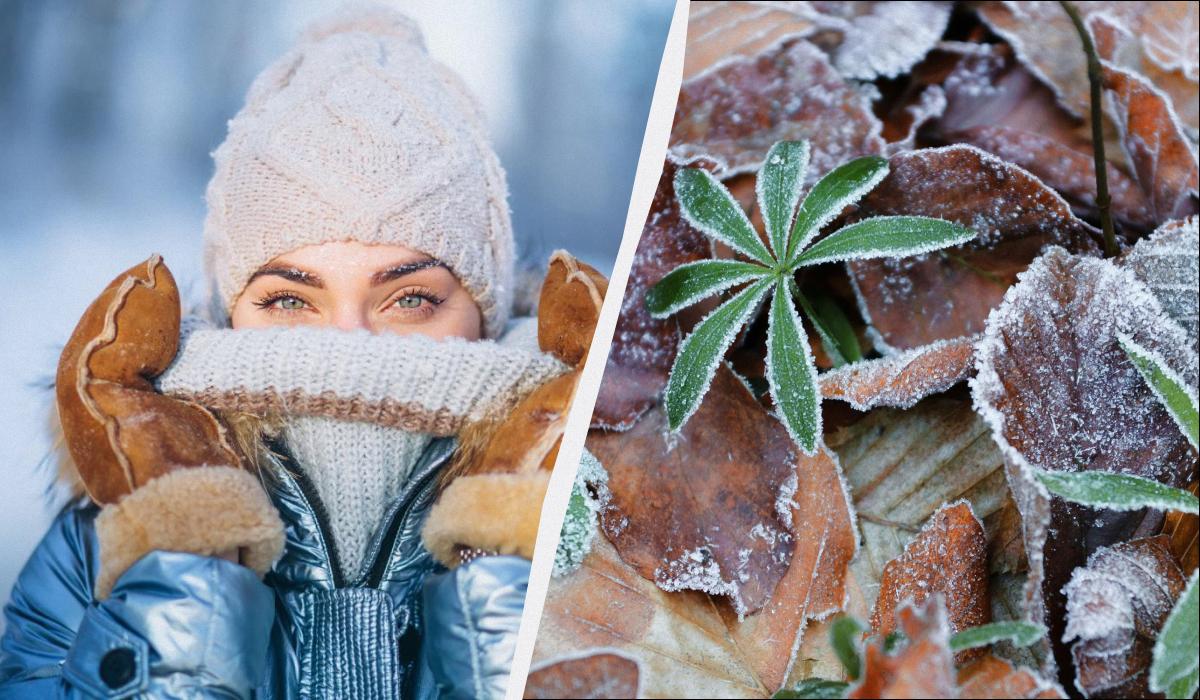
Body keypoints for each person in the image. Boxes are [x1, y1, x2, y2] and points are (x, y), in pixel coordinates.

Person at [0, 6, 586, 698]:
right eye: (288, 300)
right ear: (229, 310)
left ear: (485, 314)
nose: (348, 348)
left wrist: (514, 604)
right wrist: (181, 597)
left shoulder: (584, 515)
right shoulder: (109, 541)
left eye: (410, 299)